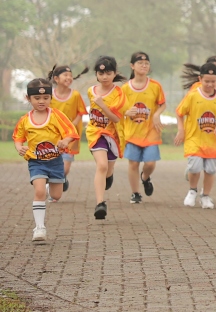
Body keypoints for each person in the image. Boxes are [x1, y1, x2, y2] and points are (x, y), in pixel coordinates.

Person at [13, 78, 79, 242]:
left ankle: (49, 184)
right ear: (28, 98)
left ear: (50, 98)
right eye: (37, 98)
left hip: (56, 161)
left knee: (56, 195)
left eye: (45, 98)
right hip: (36, 162)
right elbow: (18, 137)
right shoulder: (25, 120)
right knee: (39, 191)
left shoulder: (56, 115)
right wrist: (19, 147)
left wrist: (65, 141)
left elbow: (71, 132)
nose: (41, 101)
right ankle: (39, 228)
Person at [174, 61, 216, 209]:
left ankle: (205, 195)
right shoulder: (193, 96)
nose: (210, 84)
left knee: (211, 170)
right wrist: (181, 130)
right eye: (207, 81)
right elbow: (180, 113)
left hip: (212, 141)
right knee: (194, 167)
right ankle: (192, 190)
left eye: (213, 81)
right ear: (200, 80)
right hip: (194, 139)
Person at [120, 52, 166, 205]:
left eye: (146, 63)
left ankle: (145, 178)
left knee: (150, 163)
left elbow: (162, 104)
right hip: (132, 132)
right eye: (140, 63)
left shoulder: (155, 86)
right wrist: (126, 112)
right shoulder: (125, 88)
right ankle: (135, 193)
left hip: (151, 132)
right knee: (133, 163)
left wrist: (157, 114)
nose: (144, 65)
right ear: (132, 66)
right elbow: (119, 108)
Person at [86, 56, 127, 221]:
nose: (104, 76)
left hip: (112, 135)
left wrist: (103, 105)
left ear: (115, 73)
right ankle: (100, 204)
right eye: (101, 73)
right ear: (96, 74)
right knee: (101, 166)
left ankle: (109, 176)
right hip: (95, 133)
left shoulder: (119, 94)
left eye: (108, 73)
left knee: (107, 169)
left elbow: (116, 119)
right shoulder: (91, 91)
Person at [49, 64, 87, 191]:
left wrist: (71, 127)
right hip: (52, 137)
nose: (69, 77)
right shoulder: (50, 96)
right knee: (52, 165)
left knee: (65, 168)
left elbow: (80, 113)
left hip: (70, 138)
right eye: (65, 75)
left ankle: (62, 178)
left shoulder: (75, 95)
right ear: (56, 79)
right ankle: (54, 188)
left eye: (70, 75)